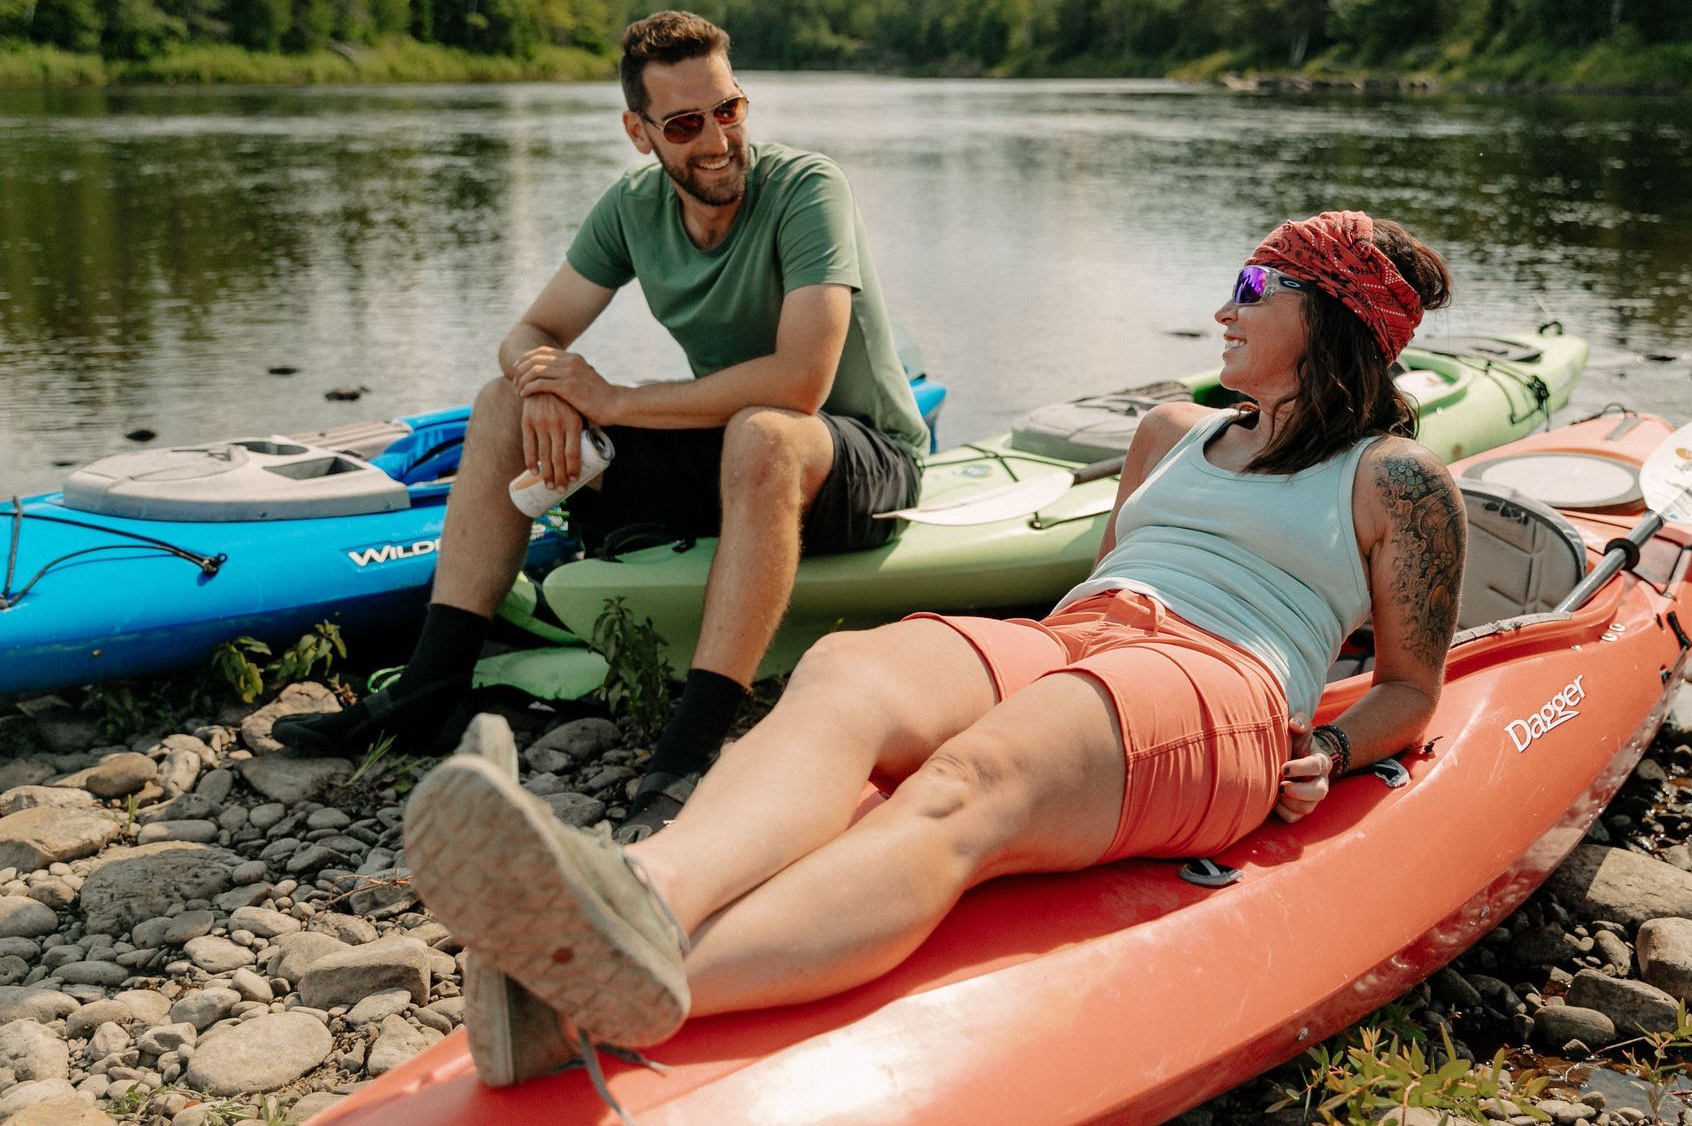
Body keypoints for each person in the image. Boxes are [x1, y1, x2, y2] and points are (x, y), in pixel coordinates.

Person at [402, 210, 1467, 1074]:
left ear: (1327, 317)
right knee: (846, 670)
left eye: (1249, 288)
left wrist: (1330, 748)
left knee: (973, 779)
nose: (1220, 311)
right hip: (1087, 633)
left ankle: (624, 987)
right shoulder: (1169, 432)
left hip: (1222, 677)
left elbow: (1412, 688)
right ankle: (641, 893)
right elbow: (1102, 581)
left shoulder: (1398, 479)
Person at [276, 11, 930, 846]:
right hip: (738, 447)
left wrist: (614, 400)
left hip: (860, 454)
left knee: (765, 432)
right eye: (686, 123)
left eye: (729, 110)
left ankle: (692, 745)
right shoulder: (632, 209)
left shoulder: (807, 189)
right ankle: (430, 688)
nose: (718, 139)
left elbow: (802, 382)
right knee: (499, 402)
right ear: (640, 133)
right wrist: (541, 382)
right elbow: (528, 331)